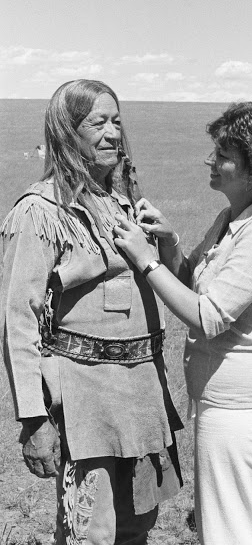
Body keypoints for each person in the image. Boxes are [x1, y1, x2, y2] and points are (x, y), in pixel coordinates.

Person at [0, 80, 183, 545]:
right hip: (85, 401)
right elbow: (19, 320)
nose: (113, 133)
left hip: (142, 396)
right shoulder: (40, 212)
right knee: (91, 531)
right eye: (97, 122)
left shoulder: (125, 205)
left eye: (116, 121)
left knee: (138, 524)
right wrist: (33, 418)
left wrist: (167, 242)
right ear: (67, 132)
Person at [113, 102, 252, 545]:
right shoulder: (231, 219)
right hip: (220, 397)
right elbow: (193, 278)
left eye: (224, 155)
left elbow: (207, 315)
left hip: (238, 404)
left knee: (231, 530)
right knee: (225, 523)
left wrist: (146, 260)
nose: (210, 161)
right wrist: (168, 242)